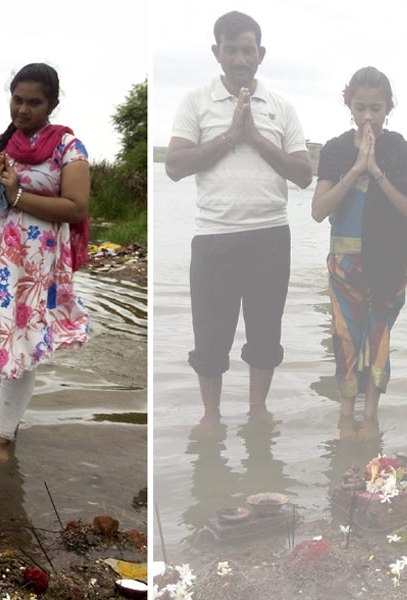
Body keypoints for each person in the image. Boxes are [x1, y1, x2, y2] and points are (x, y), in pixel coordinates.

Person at [164, 11, 312, 424]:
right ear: (217, 52)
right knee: (210, 338)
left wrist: (256, 139)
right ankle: (210, 415)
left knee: (265, 334)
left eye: (248, 49)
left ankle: (257, 409)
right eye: (231, 50)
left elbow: (303, 175)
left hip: (270, 235)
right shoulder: (195, 101)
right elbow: (174, 165)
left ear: (261, 53)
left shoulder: (281, 107)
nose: (240, 58)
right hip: (214, 236)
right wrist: (230, 136)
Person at [0, 63, 90, 445]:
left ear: (52, 105)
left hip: (35, 268)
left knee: (22, 342)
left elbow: (76, 207)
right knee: (0, 341)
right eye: (17, 100)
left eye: (34, 102)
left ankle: (1, 435)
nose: (23, 109)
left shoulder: (68, 148)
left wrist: (17, 196)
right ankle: (7, 422)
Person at [311, 67, 407, 420]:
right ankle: (346, 416)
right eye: (361, 107)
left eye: (376, 107)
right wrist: (356, 169)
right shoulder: (334, 151)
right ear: (349, 105)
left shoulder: (404, 152)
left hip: (389, 262)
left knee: (377, 340)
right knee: (345, 339)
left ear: (390, 106)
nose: (368, 116)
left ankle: (370, 415)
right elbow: (318, 211)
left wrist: (376, 172)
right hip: (344, 263)